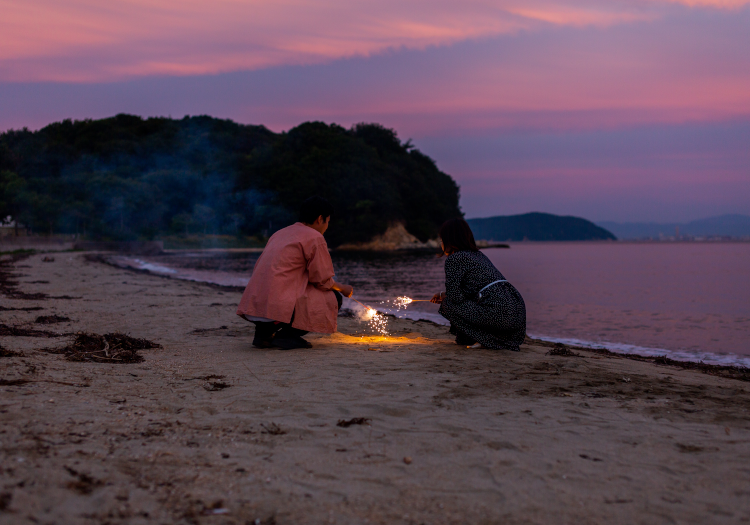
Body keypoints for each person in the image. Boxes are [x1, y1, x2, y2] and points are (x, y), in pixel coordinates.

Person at [236, 196, 354, 349]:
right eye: (328, 221)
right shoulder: (315, 237)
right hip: (275, 308)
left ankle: (262, 335)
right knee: (334, 297)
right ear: (320, 219)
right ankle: (287, 336)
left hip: (255, 306)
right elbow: (322, 280)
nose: (326, 226)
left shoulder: (279, 233)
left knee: (293, 289)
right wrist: (343, 288)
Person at [430, 218, 526, 350]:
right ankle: (478, 338)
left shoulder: (454, 259)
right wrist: (443, 294)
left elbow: (455, 297)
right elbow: (472, 290)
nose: (440, 243)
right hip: (517, 311)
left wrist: (444, 297)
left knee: (448, 305)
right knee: (455, 307)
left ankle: (487, 340)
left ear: (449, 239)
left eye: (441, 239)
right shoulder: (478, 255)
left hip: (499, 312)